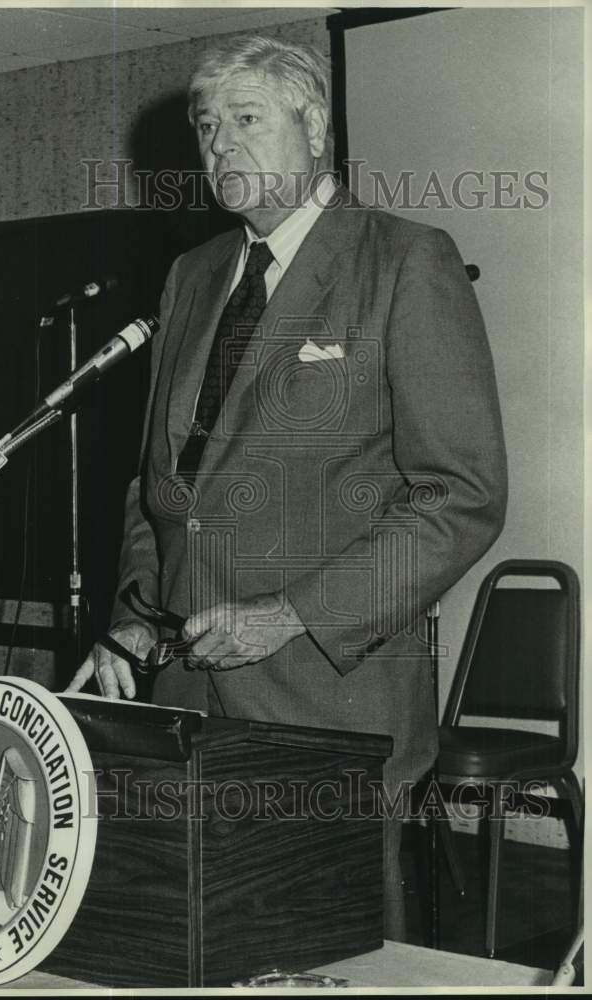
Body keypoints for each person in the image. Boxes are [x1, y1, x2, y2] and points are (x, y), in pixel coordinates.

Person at [68, 35, 507, 937]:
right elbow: (162, 482)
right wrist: (132, 613)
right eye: (205, 127)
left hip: (322, 695)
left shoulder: (403, 260)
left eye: (245, 119)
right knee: (189, 942)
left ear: (313, 127)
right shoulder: (191, 277)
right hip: (183, 696)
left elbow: (459, 493)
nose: (219, 145)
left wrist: (295, 612)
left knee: (319, 952)